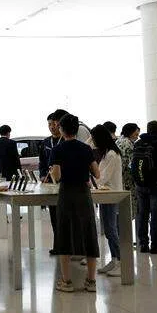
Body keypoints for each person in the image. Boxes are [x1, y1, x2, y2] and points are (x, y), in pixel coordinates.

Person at [51, 114, 100, 292]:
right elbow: (97, 173)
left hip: (66, 194)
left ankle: (67, 282)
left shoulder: (58, 149)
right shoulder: (86, 148)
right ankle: (91, 281)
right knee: (89, 233)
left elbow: (57, 176)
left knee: (64, 234)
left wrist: (55, 172)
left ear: (62, 129)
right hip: (84, 194)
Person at [132, 120, 157, 255]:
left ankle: (143, 244)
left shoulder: (138, 144)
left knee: (142, 214)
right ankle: (155, 245)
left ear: (148, 129)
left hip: (140, 184)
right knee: (156, 215)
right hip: (156, 184)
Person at [91, 124, 123, 277]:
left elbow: (103, 177)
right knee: (109, 230)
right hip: (105, 194)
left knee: (111, 229)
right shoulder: (106, 153)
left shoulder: (111, 155)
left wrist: (90, 181)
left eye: (94, 138)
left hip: (111, 194)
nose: (93, 141)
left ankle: (120, 261)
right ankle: (114, 259)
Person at [38, 110, 66, 254]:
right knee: (54, 215)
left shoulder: (66, 141)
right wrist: (43, 175)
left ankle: (66, 246)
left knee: (64, 216)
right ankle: (57, 245)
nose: (51, 127)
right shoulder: (45, 142)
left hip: (63, 182)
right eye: (49, 124)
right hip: (49, 184)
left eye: (54, 124)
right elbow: (42, 162)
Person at [116, 123, 140, 194]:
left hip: (119, 175)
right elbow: (131, 163)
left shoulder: (118, 140)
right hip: (128, 177)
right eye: (136, 135)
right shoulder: (128, 144)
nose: (137, 137)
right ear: (130, 133)